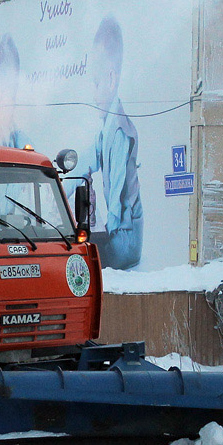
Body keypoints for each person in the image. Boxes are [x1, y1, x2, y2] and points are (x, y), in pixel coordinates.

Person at [85, 16, 143, 269]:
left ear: (110, 79)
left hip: (125, 235)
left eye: (95, 82)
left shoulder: (119, 130)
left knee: (86, 263)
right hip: (120, 229)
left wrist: (109, 227)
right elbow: (90, 159)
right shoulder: (107, 126)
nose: (92, 92)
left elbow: (118, 189)